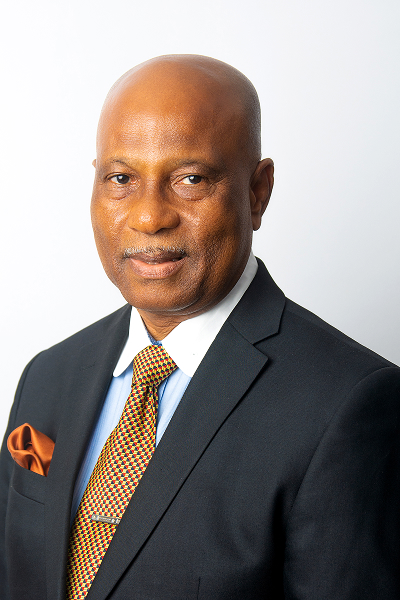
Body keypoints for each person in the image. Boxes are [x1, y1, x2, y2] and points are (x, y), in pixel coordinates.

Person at [1, 54, 399, 600]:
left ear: (257, 191)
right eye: (121, 178)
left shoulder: (348, 405)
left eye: (190, 179)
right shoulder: (47, 376)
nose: (149, 217)